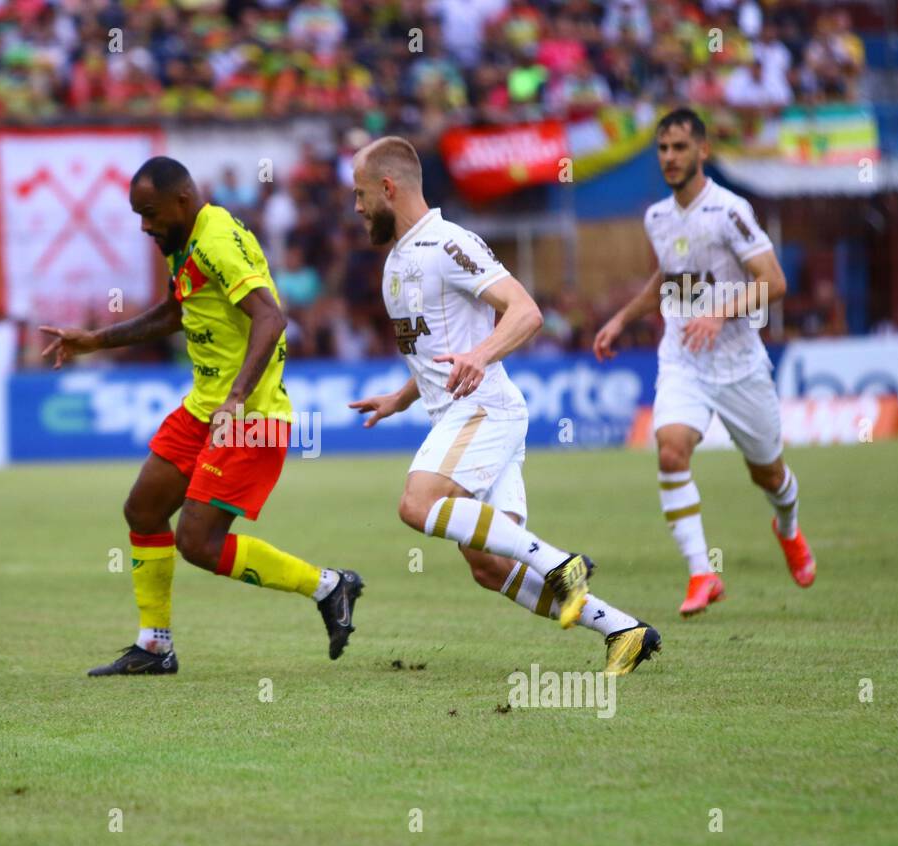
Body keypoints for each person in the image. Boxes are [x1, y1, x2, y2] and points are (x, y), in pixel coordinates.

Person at [347, 137, 659, 676]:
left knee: (416, 505)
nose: (356, 208)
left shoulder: (448, 243)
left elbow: (525, 311)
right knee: (488, 567)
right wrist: (399, 399)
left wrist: (481, 354)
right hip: (460, 415)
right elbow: (434, 354)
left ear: (388, 188)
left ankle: (562, 563)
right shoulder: (397, 260)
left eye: (359, 194)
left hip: (484, 410)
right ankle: (624, 630)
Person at [41, 157, 363, 676]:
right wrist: (96, 340)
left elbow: (271, 316)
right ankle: (153, 647)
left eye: (149, 213)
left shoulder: (215, 241)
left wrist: (236, 396)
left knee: (197, 543)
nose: (144, 226)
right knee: (144, 510)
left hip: (249, 414)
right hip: (204, 407)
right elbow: (176, 311)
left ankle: (329, 586)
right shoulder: (185, 240)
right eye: (138, 216)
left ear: (182, 201)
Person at [594, 108, 814, 617]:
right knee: (670, 450)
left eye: (679, 147)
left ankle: (789, 529)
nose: (669, 158)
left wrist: (717, 313)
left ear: (703, 151)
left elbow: (773, 282)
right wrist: (622, 318)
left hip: (738, 366)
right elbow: (670, 277)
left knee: (770, 476)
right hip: (683, 359)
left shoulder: (730, 211)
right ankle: (701, 572)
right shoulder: (657, 217)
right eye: (663, 149)